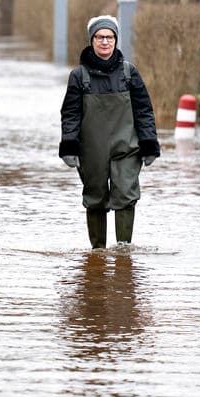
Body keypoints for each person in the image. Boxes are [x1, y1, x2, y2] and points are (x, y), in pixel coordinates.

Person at [59, 15, 160, 249]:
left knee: (126, 195)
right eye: (100, 37)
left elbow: (144, 111)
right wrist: (69, 146)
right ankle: (98, 254)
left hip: (127, 147)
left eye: (110, 37)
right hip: (91, 149)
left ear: (116, 40)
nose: (105, 41)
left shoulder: (129, 73)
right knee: (95, 198)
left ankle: (123, 251)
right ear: (92, 40)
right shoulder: (78, 76)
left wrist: (149, 143)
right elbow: (70, 114)